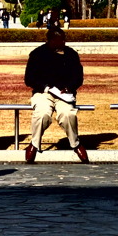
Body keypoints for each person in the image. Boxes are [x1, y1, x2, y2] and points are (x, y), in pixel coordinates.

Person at [24, 27, 87, 164]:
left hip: (65, 94)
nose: (63, 43)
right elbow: (29, 79)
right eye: (60, 41)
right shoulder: (37, 54)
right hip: (43, 92)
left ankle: (75, 144)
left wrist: (69, 87)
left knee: (67, 114)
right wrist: (46, 88)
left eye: (64, 40)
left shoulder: (71, 54)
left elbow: (78, 77)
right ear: (51, 41)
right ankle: (34, 144)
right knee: (42, 114)